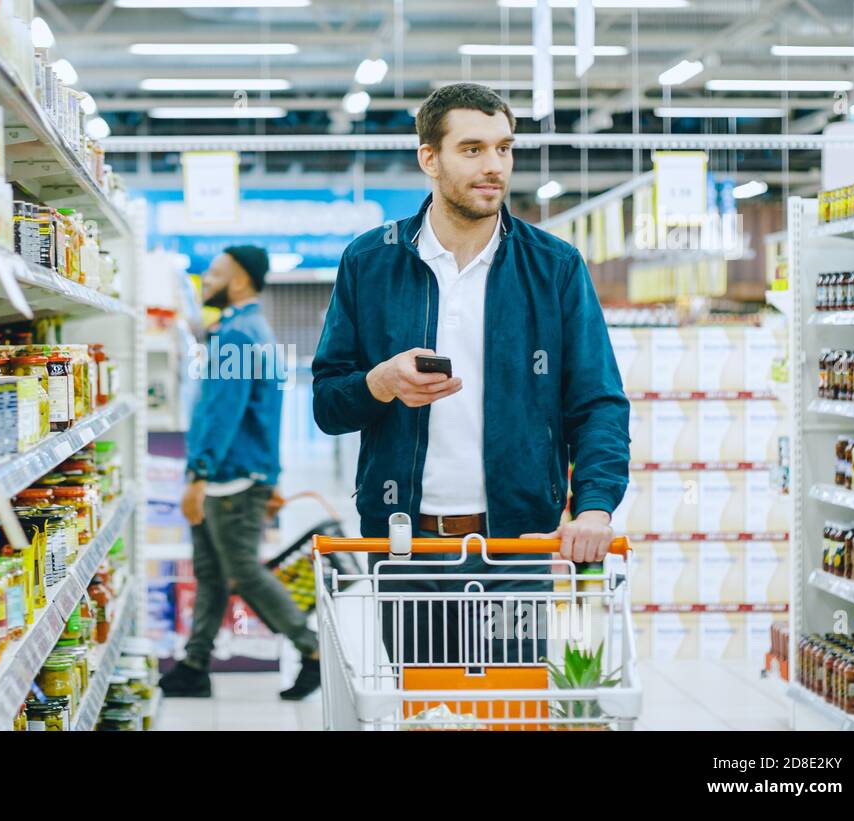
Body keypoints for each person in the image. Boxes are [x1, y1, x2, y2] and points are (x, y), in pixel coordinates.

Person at [311, 83, 630, 666]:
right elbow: (329, 404)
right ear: (429, 158)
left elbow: (598, 402)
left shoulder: (554, 266)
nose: (495, 167)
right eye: (473, 149)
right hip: (406, 544)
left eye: (504, 148)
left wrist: (595, 506)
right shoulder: (370, 261)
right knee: (428, 710)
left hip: (519, 545)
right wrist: (379, 383)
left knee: (508, 707)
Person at [160, 245, 322, 700]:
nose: (204, 281)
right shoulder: (249, 329)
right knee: (211, 574)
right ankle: (194, 664)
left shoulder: (236, 336)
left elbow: (222, 411)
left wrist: (199, 475)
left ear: (239, 281)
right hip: (242, 472)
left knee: (243, 572)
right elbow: (261, 412)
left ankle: (311, 652)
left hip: (229, 478)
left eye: (213, 273)